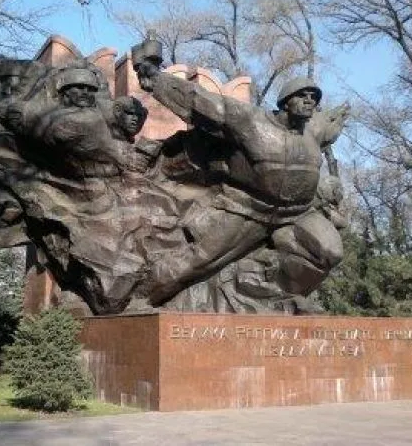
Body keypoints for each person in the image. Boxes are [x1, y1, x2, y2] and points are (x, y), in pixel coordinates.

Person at [135, 52, 350, 305]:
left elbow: (328, 125)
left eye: (314, 98)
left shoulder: (313, 131)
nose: (309, 101)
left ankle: (278, 296)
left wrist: (339, 117)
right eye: (303, 96)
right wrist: (156, 79)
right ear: (285, 101)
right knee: (198, 262)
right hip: (250, 210)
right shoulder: (251, 121)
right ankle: (139, 299)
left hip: (298, 213)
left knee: (329, 252)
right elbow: (200, 102)